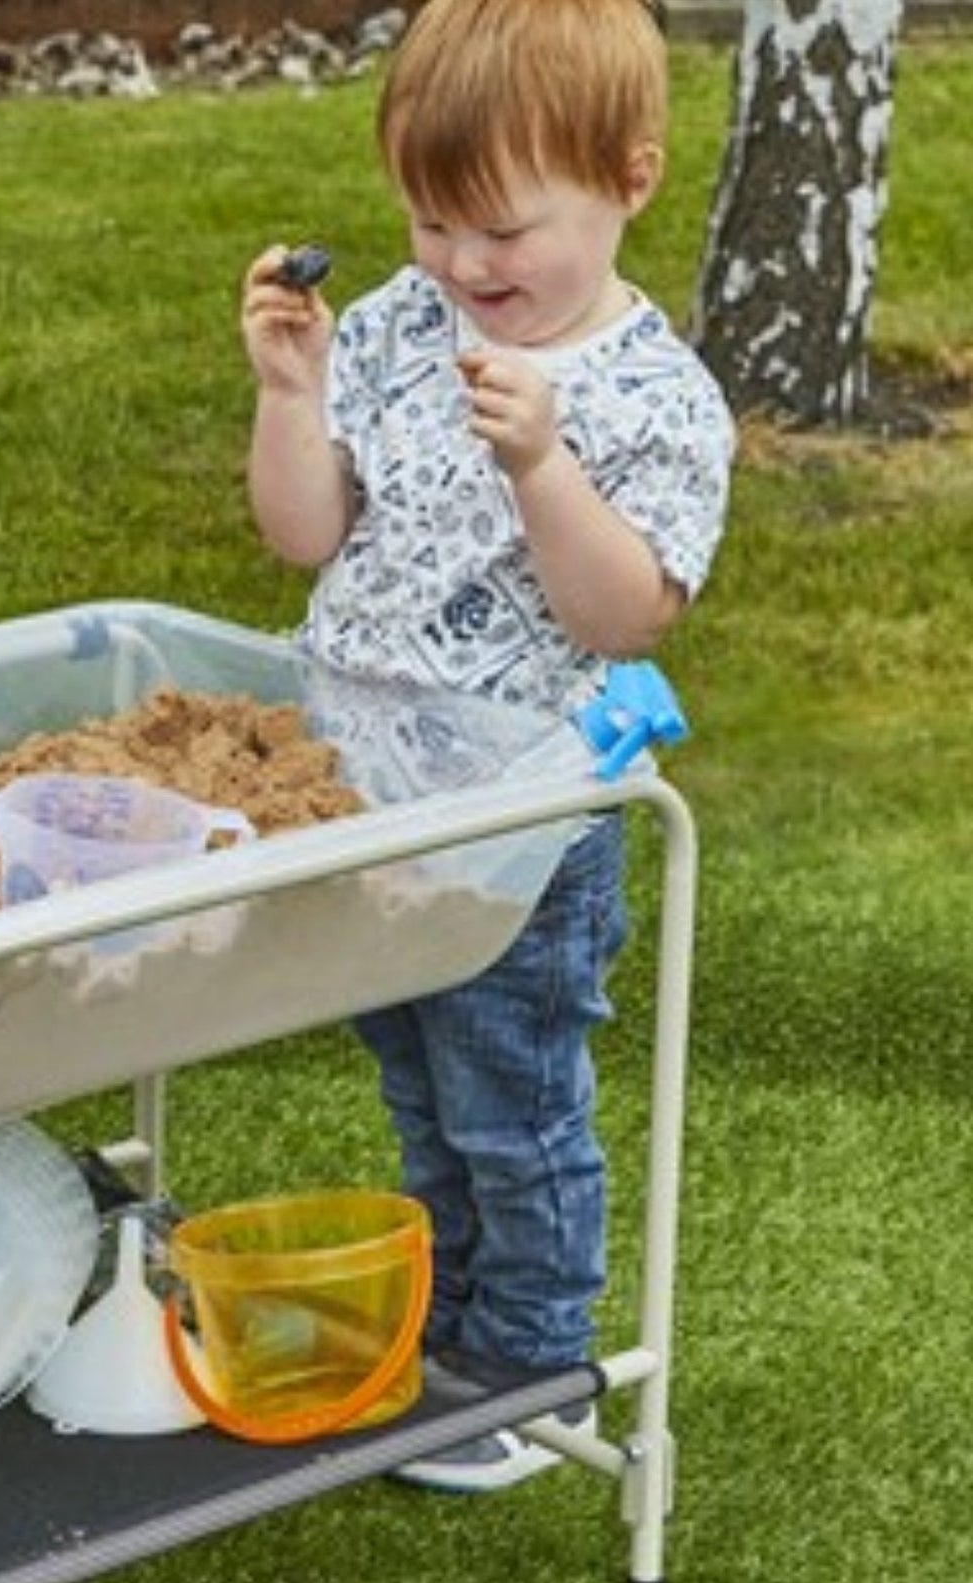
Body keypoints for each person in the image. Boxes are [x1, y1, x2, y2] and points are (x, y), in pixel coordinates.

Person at [240, 0, 734, 1490]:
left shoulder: (651, 398)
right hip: (372, 799)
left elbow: (626, 610)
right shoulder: (397, 323)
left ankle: (522, 1372)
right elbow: (304, 534)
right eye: (429, 217)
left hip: (521, 819)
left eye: (502, 229)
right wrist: (289, 394)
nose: (461, 263)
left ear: (628, 176)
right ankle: (443, 1334)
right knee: (419, 1086)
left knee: (510, 1102)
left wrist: (539, 459)